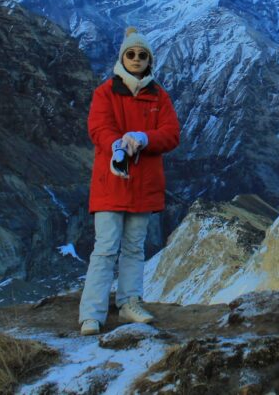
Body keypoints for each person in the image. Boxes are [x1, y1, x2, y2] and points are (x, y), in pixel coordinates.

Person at [78, 27, 181, 336]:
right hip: (112, 182)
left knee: (134, 248)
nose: (136, 59)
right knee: (106, 248)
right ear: (122, 58)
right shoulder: (105, 93)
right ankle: (91, 314)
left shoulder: (159, 95)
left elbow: (171, 133)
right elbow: (98, 128)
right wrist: (118, 145)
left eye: (142, 55)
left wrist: (143, 138)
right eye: (131, 54)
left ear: (149, 60)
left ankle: (128, 303)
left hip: (143, 186)